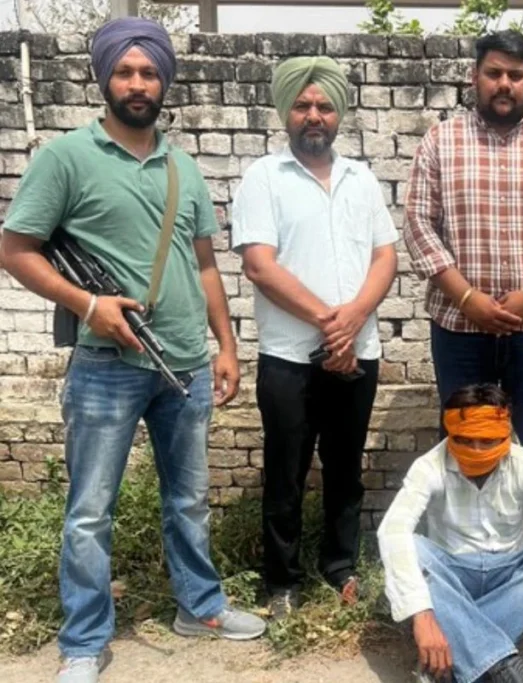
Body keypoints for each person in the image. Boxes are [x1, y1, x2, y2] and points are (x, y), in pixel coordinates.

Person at [0, 17, 266, 683]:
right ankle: (84, 641)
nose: (138, 83)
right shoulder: (66, 158)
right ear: (105, 78)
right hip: (104, 366)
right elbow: (16, 250)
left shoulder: (183, 167)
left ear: (164, 81)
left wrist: (226, 345)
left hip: (185, 364)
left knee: (190, 499)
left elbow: (205, 265)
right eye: (125, 71)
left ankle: (199, 606)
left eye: (149, 72)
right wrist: (89, 305)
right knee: (91, 512)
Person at [403, 30, 523, 536]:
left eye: (515, 74)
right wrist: (467, 298)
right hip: (460, 329)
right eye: (494, 73)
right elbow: (419, 225)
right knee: (464, 443)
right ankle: (463, 559)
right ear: (475, 77)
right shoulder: (440, 142)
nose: (504, 84)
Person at [231, 56, 399, 617]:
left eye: (324, 106)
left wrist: (355, 320)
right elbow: (260, 265)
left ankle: (340, 566)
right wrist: (334, 322)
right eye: (302, 105)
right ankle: (282, 582)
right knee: (286, 472)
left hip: (359, 352)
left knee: (345, 469)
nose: (313, 115)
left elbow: (384, 256)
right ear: (286, 112)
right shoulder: (264, 177)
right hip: (289, 357)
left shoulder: (361, 178)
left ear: (338, 115)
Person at [377, 383, 523, 683]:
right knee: (409, 547)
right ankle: (504, 665)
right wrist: (423, 616)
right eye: (465, 440)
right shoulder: (429, 466)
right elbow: (393, 530)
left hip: (509, 578)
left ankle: (456, 649)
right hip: (452, 581)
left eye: (488, 441)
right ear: (450, 433)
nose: (476, 451)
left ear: (506, 435)